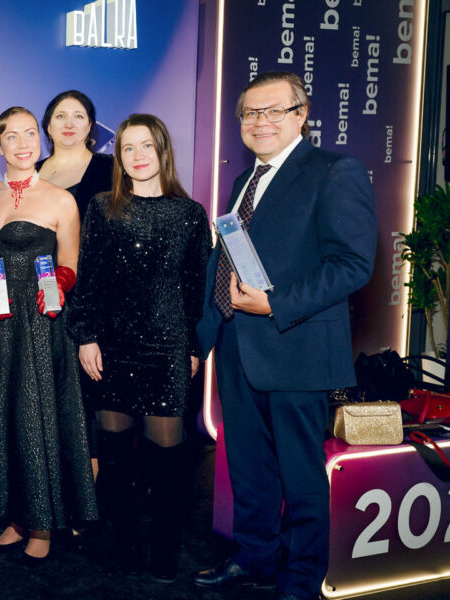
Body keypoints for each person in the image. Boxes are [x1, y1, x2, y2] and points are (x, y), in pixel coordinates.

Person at [192, 72, 377, 600]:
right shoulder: (243, 182)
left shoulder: (335, 171)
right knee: (249, 470)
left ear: (302, 114)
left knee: (300, 476)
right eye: (251, 113)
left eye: (274, 110)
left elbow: (353, 263)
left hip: (297, 346)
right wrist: (204, 338)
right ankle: (253, 559)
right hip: (238, 345)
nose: (261, 121)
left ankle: (301, 577)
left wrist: (276, 303)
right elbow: (225, 262)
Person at [64, 113, 211, 582]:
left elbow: (196, 288)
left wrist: (193, 347)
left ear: (162, 150)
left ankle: (165, 548)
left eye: (146, 145)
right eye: (128, 147)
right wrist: (86, 335)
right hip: (112, 344)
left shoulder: (190, 214)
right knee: (114, 456)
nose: (138, 155)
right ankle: (124, 544)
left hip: (167, 346)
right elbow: (88, 277)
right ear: (119, 157)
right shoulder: (102, 207)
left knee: (168, 453)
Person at [0, 107, 98, 566]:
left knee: (38, 418)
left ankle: (42, 525)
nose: (22, 144)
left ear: (41, 139)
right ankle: (15, 518)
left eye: (30, 134)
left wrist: (59, 284)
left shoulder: (62, 199)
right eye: (11, 136)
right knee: (2, 416)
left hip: (40, 322)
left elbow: (72, 262)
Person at [36, 90, 114, 217]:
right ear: (48, 127)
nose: (69, 124)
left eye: (78, 116)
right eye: (60, 116)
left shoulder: (111, 167)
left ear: (89, 126)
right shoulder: (30, 172)